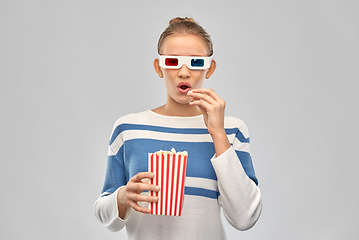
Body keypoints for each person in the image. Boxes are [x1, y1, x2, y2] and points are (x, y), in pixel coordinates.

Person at [94, 17, 262, 239]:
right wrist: (122, 197)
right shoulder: (128, 129)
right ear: (159, 67)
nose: (184, 72)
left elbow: (245, 218)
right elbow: (104, 216)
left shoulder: (232, 130)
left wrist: (218, 134)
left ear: (210, 68)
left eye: (196, 62)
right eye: (173, 62)